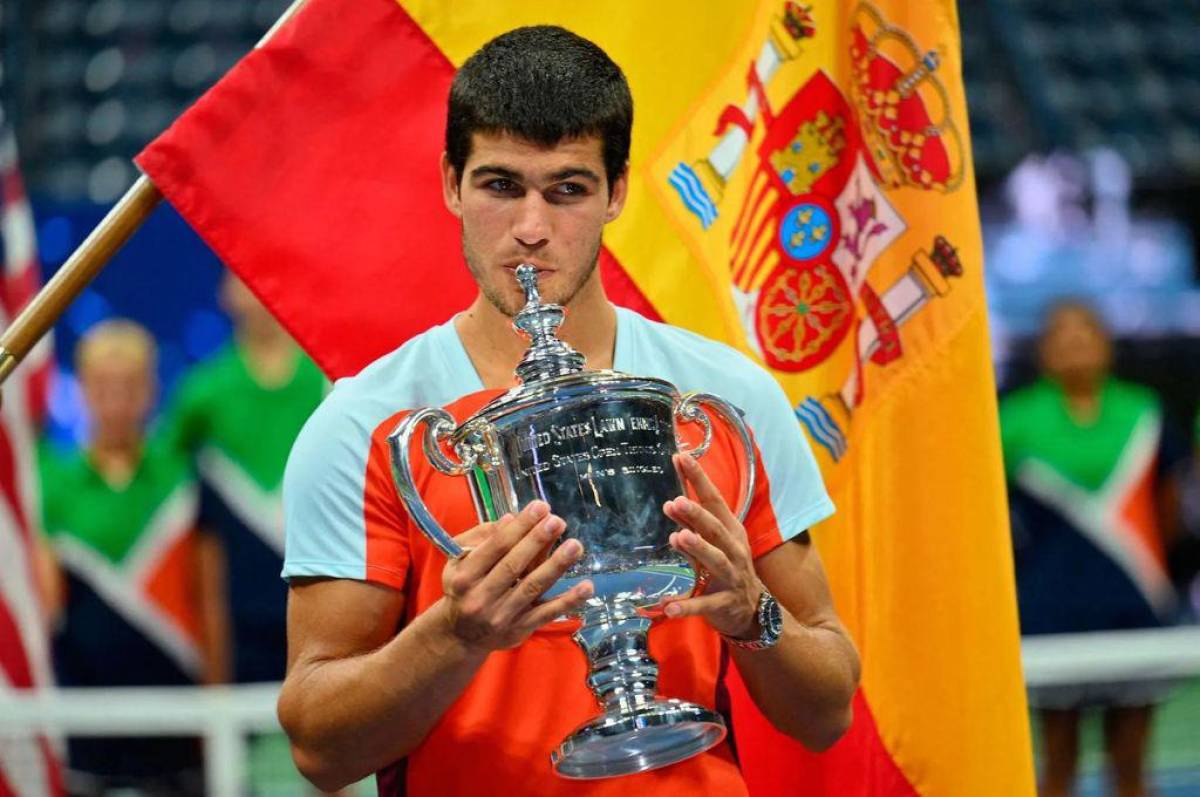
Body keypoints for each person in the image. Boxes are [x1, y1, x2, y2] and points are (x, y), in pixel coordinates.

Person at [277, 26, 860, 795]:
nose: (531, 228)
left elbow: (826, 710)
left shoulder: (727, 399)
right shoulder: (364, 426)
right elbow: (320, 749)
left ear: (617, 191)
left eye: (567, 189)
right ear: (451, 182)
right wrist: (455, 634)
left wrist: (754, 615)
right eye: (499, 186)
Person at [1000, 300, 1184, 797]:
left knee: (1131, 764)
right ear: (1044, 350)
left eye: (1086, 331)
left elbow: (1171, 510)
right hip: (1050, 612)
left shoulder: (1145, 411)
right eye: (1062, 333)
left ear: (1106, 344)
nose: (1075, 341)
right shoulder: (1013, 421)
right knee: (1058, 764)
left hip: (1135, 605)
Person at [40, 320, 218, 796]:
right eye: (102, 386)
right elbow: (43, 607)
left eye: (129, 385)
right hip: (83, 711)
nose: (116, 399)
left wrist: (216, 701)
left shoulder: (183, 477)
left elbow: (208, 598)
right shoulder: (50, 484)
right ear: (82, 390)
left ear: (151, 390)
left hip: (177, 709)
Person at [161, 273, 326, 684]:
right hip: (238, 606)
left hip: (327, 586)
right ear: (225, 295)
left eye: (263, 275)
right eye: (241, 280)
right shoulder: (201, 393)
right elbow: (173, 495)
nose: (254, 289)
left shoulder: (330, 380)